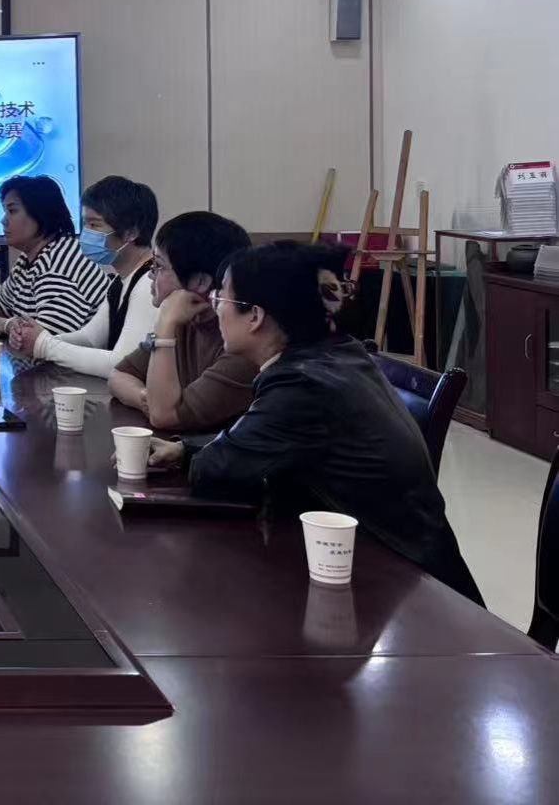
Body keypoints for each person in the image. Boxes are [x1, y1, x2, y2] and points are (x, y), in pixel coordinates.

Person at [147, 243, 482, 603]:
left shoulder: (302, 384)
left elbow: (216, 471)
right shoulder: (337, 354)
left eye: (221, 299)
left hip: (404, 589)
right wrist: (186, 450)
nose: (215, 308)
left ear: (255, 316)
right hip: (388, 570)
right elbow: (255, 441)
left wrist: (196, 457)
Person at [108, 210, 254, 432]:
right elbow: (119, 376)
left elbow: (164, 416)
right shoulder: (186, 321)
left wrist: (165, 327)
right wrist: (145, 397)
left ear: (200, 281)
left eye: (159, 266)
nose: (150, 275)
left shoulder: (240, 343)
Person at [7, 175, 159, 377]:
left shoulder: (149, 284)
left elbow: (121, 364)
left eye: (94, 225)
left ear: (131, 233)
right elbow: (90, 339)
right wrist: (34, 338)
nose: (85, 233)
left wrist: (44, 345)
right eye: (85, 223)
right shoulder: (121, 280)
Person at [0, 175, 111, 336]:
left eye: (12, 211)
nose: (3, 220)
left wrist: (3, 325)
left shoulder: (59, 264)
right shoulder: (31, 257)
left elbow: (51, 336)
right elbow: (3, 303)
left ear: (40, 214)